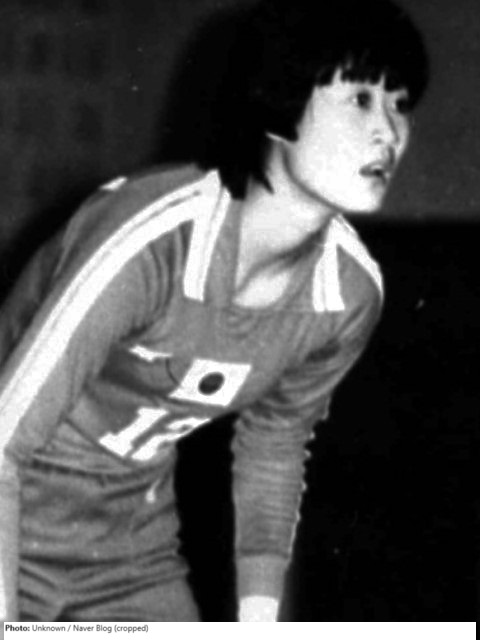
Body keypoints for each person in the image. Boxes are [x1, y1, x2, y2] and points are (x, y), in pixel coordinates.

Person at [0, 0, 428, 623]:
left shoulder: (349, 292)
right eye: (361, 99)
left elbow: (274, 448)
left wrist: (259, 626)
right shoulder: (153, 242)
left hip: (125, 557)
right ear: (279, 103)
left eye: (400, 104)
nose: (388, 131)